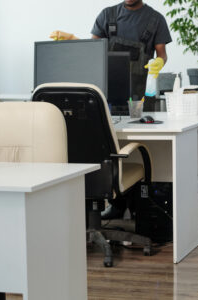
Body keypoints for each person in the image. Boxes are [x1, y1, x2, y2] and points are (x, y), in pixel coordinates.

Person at [50, 0, 172, 220]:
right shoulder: (107, 15)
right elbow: (93, 51)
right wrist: (73, 40)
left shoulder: (155, 20)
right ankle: (117, 204)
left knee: (142, 144)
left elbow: (161, 54)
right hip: (105, 98)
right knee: (107, 145)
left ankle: (136, 207)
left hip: (138, 100)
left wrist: (160, 63)